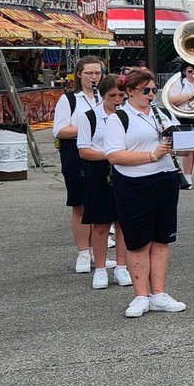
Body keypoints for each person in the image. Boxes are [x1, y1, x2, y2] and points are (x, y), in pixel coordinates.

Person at [102, 69, 186, 318]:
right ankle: (140, 296)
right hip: (134, 184)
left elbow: (180, 142)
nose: (151, 95)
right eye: (146, 91)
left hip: (165, 179)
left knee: (162, 239)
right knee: (138, 241)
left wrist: (183, 145)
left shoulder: (163, 114)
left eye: (153, 91)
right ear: (129, 92)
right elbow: (114, 155)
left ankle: (158, 293)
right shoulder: (119, 119)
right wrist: (152, 155)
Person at [76, 74, 130, 290]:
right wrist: (111, 154)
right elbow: (84, 150)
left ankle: (121, 266)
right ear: (102, 95)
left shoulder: (127, 115)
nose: (117, 100)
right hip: (99, 172)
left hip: (125, 171)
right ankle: (99, 268)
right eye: (112, 95)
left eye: (120, 95)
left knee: (123, 223)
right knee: (100, 225)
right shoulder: (90, 117)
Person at [53, 55, 105, 273]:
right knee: (79, 205)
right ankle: (83, 253)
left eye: (97, 73)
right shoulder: (69, 99)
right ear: (80, 75)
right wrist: (87, 126)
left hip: (100, 152)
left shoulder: (104, 97)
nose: (94, 77)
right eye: (89, 73)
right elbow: (60, 130)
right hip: (75, 153)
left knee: (99, 205)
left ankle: (98, 253)